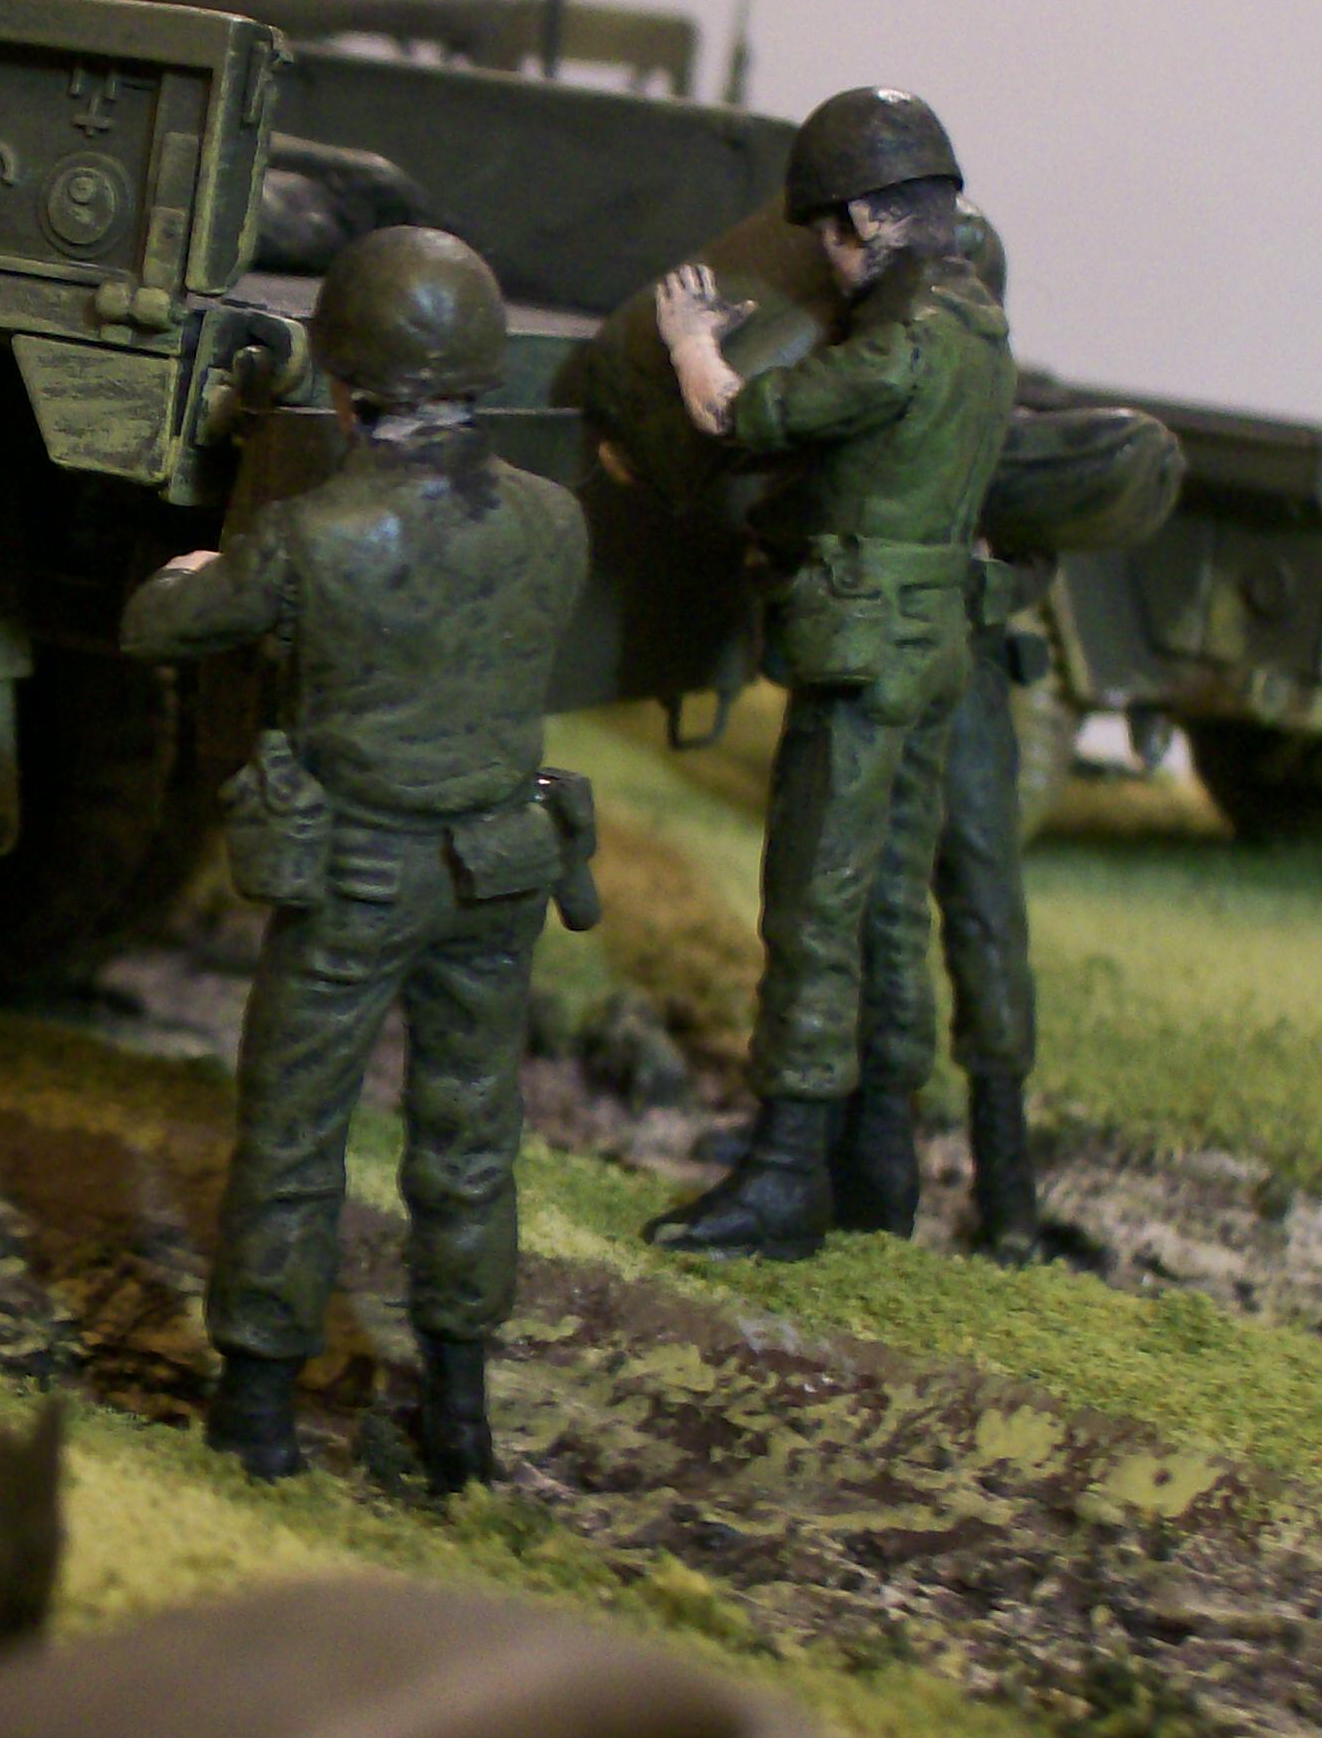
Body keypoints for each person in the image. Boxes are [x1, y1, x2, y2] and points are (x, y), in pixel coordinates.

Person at [121, 226, 591, 1492]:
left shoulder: (310, 535)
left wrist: (194, 570)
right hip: (499, 866)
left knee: (293, 1133)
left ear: (345, 384)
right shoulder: (555, 521)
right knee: (472, 1136)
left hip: (360, 873)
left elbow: (159, 626)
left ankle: (258, 1411)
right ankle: (462, 1415)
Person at [642, 87, 1017, 1261]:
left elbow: (738, 415)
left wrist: (690, 339)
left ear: (861, 220)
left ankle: (786, 1169)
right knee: (890, 906)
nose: (824, 255)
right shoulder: (982, 325)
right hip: (929, 647)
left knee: (815, 904)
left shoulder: (901, 345)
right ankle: (876, 1157)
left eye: (827, 233)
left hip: (861, 650)